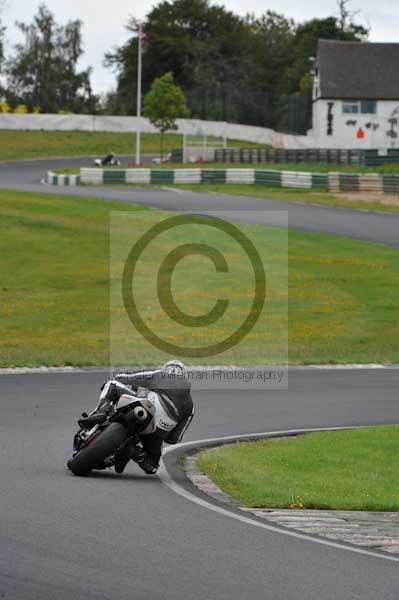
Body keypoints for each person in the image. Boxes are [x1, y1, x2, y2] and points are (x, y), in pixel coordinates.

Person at [78, 360, 194, 475]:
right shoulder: (190, 405)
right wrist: (162, 431)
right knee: (153, 465)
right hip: (158, 431)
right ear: (184, 376)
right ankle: (135, 451)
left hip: (148, 406)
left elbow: (122, 377)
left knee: (112, 384)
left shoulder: (159, 375)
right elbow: (174, 439)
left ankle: (101, 412)